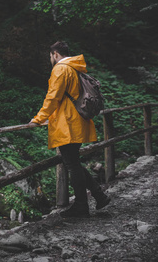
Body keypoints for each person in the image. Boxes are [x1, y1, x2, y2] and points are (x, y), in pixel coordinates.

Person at [28, 41, 110, 218]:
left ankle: (82, 205)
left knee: (72, 164)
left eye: (50, 56)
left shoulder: (60, 69)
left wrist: (38, 119)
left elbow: (53, 97)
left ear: (55, 54)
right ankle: (98, 195)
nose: (50, 59)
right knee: (74, 162)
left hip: (68, 123)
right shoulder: (74, 67)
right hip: (77, 121)